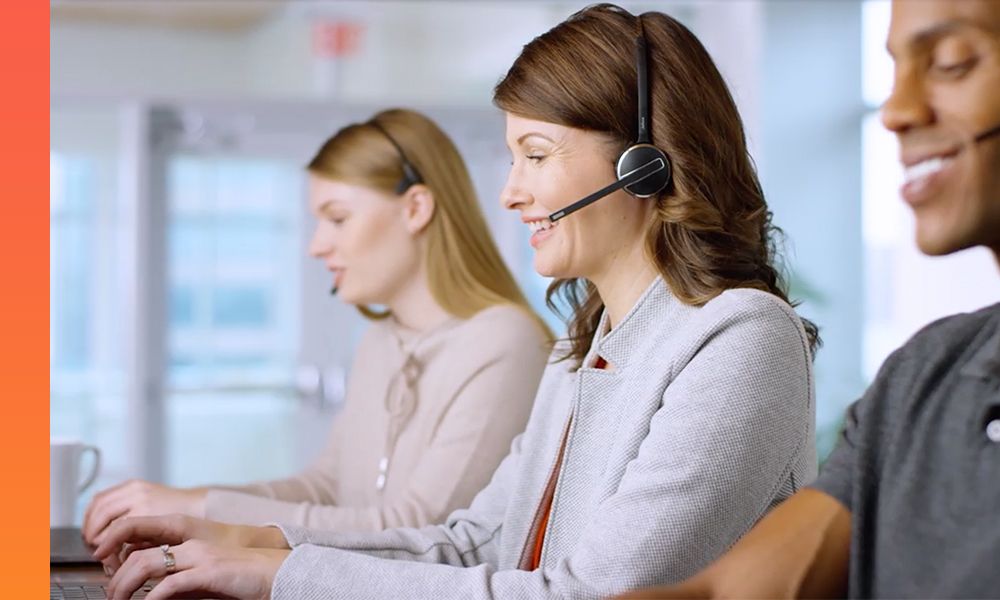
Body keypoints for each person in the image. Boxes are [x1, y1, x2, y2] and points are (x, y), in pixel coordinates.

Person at [94, 6, 821, 599]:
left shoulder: (740, 340)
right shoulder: (587, 344)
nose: (510, 191)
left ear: (644, 165)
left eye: (535, 154)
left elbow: (590, 594)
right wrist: (260, 545)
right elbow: (473, 539)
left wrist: (283, 575)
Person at [615, 1, 1000, 598]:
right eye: (894, 70)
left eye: (952, 62)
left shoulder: (743, 335)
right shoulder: (927, 375)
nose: (896, 111)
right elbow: (727, 592)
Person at [82, 108, 552, 544]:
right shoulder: (382, 340)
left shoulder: (505, 342)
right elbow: (326, 488)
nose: (317, 246)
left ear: (416, 209)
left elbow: (417, 531)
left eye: (338, 219)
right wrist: (186, 509)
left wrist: (202, 510)